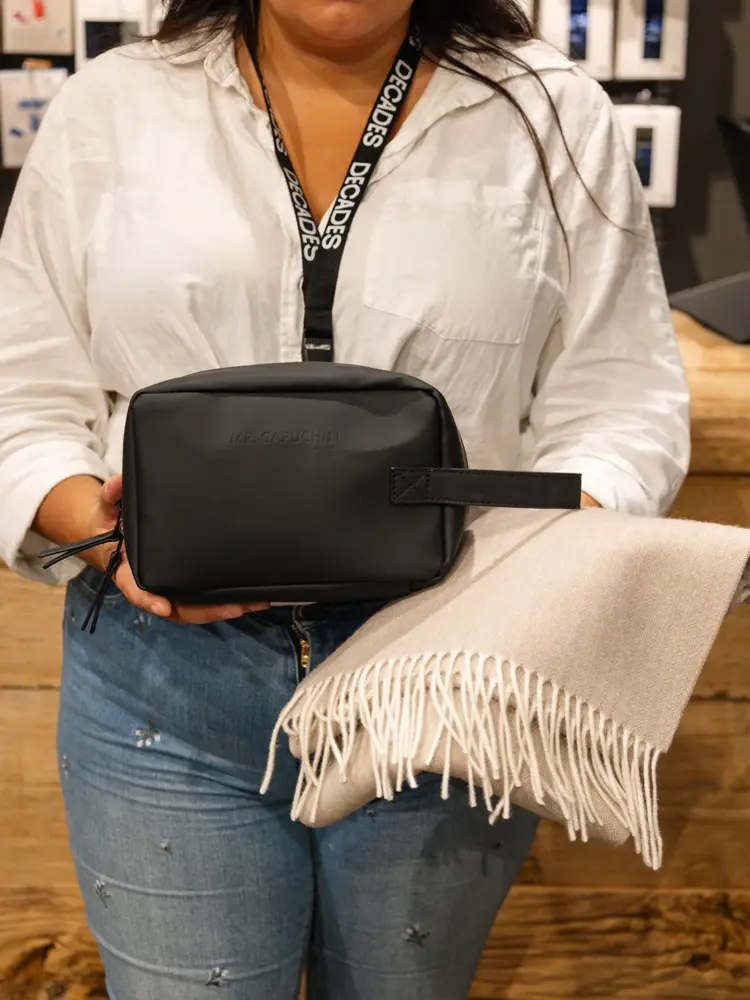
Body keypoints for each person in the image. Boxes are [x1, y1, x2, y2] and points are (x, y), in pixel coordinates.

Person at [0, 1, 690, 998]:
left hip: (447, 675)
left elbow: (622, 404)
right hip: (164, 686)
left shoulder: (551, 111)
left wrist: (541, 566)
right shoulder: (113, 106)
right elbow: (21, 393)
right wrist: (101, 532)